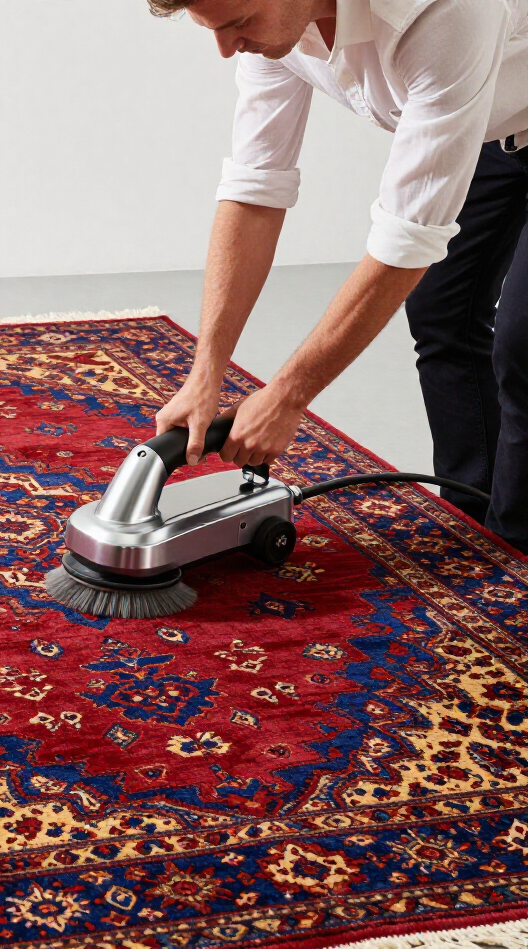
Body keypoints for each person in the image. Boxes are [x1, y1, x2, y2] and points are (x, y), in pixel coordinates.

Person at [151, 0, 528, 552]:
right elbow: (256, 188)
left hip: (486, 92)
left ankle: (516, 555)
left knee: (523, 341)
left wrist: (286, 396)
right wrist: (206, 371)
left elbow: (406, 236)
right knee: (440, 309)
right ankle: (472, 522)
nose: (226, 48)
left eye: (236, 25)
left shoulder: (443, 9)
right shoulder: (274, 28)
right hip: (498, 117)